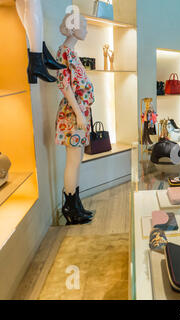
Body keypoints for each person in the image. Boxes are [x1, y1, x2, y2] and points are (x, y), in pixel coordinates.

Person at [55, 13, 94, 225]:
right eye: (84, 26)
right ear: (73, 27)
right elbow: (64, 85)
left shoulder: (71, 52)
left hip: (79, 113)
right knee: (72, 162)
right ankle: (70, 208)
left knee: (76, 161)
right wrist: (79, 113)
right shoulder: (64, 52)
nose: (86, 30)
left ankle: (76, 205)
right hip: (73, 115)